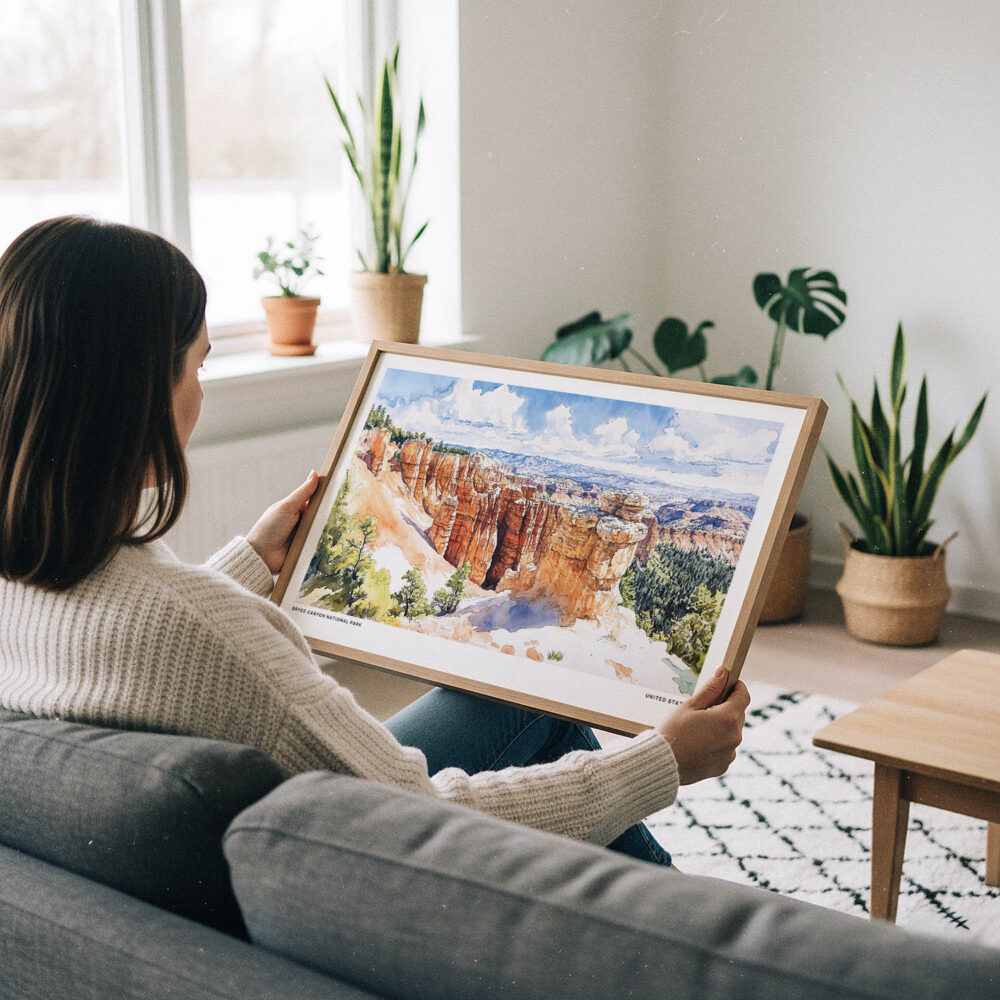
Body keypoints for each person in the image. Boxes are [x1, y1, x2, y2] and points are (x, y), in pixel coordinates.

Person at [0, 216, 749, 866]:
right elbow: (418, 816)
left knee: (508, 703)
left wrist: (249, 564)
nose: (202, 392)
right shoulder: (207, 631)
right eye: (198, 365)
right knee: (547, 719)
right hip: (357, 861)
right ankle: (694, 936)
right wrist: (660, 762)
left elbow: (139, 637)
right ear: (136, 395)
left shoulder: (26, 582)